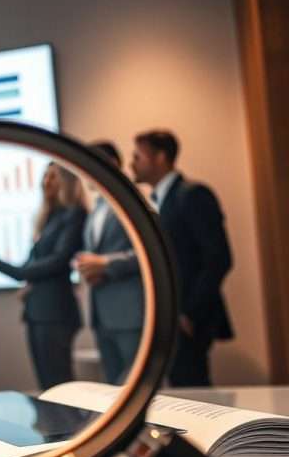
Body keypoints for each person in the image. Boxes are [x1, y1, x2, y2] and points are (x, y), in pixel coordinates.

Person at [0, 163, 88, 390]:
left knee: (61, 387)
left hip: (55, 313)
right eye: (45, 176)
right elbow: (26, 269)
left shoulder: (74, 215)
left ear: (67, 182)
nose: (45, 182)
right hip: (37, 312)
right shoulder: (50, 219)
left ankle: (70, 426)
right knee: (46, 387)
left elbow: (54, 263)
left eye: (53, 177)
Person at [131, 130, 233, 386]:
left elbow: (219, 258)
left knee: (193, 390)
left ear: (161, 157)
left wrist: (189, 311)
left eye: (138, 156)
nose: (132, 163)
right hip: (171, 315)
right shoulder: (159, 201)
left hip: (188, 317)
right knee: (180, 387)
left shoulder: (192, 194)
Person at [73, 142, 145, 385]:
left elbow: (147, 253)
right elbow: (98, 251)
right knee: (113, 389)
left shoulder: (135, 201)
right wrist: (87, 266)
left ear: (111, 165)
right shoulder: (97, 207)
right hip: (101, 312)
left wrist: (105, 263)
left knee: (137, 385)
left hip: (129, 312)